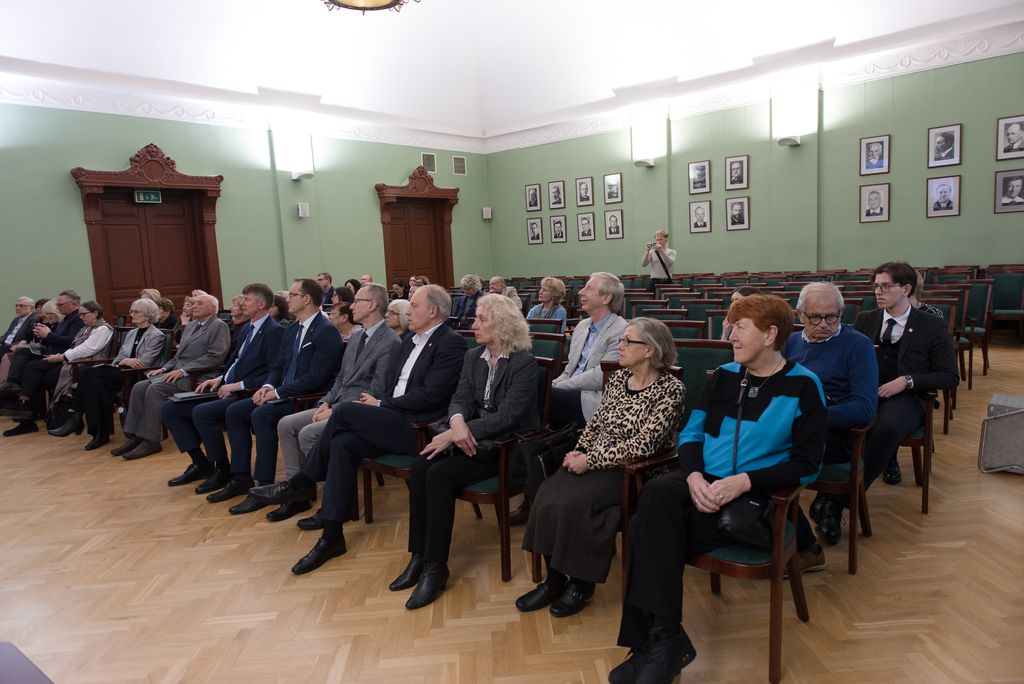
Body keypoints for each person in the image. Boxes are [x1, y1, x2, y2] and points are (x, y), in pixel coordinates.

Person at [610, 295, 826, 684]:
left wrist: (745, 481)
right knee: (656, 494)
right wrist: (694, 476)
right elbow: (691, 434)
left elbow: (808, 464)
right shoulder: (724, 376)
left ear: (770, 334)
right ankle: (664, 639)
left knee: (645, 526)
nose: (731, 336)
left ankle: (656, 644)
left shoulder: (804, 386)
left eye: (740, 328)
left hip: (753, 500)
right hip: (702, 484)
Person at [247, 285, 464, 573]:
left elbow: (431, 396)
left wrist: (382, 404)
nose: (406, 311)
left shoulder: (451, 343)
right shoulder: (410, 340)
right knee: (343, 443)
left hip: (418, 428)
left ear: (433, 311)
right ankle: (331, 536)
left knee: (346, 411)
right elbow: (386, 383)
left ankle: (301, 483)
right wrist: (380, 404)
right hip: (391, 419)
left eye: (413, 305)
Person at [518, 318, 685, 617]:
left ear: (649, 350)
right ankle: (554, 581)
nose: (620, 345)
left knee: (576, 503)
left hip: (634, 471)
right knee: (546, 494)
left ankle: (581, 584)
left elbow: (643, 446)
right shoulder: (619, 379)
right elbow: (595, 424)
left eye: (627, 341)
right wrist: (579, 450)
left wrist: (590, 460)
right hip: (595, 459)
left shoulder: (670, 390)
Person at [394, 293, 539, 609]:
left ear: (502, 325)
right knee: (420, 467)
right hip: (470, 441)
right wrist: (457, 422)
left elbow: (508, 417)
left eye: (482, 319)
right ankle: (418, 555)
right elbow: (459, 399)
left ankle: (436, 567)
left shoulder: (524, 363)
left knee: (440, 475)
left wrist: (455, 433)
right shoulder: (473, 357)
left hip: (504, 451)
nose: (473, 324)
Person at [202, 278, 341, 514]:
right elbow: (278, 366)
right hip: (284, 393)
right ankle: (241, 477)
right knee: (235, 412)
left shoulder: (326, 331)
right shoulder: (293, 329)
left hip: (306, 398)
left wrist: (277, 392)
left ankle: (265, 485)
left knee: (262, 415)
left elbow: (316, 378)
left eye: (293, 295)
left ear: (307, 299)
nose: (288, 299)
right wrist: (267, 386)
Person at [272, 283, 401, 522]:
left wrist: (336, 411)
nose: (351, 307)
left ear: (372, 305)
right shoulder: (357, 336)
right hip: (337, 404)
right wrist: (326, 402)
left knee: (308, 433)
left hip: (359, 412)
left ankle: (330, 502)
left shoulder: (390, 342)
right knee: (286, 424)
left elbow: (377, 391)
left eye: (357, 301)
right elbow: (341, 378)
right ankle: (296, 494)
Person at [835, 261, 958, 499]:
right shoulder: (866, 319)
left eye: (886, 286)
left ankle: (842, 498)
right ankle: (835, 482)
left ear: (906, 289)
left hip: (908, 396)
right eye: (876, 286)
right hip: (868, 390)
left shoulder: (931, 324)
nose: (878, 292)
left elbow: (950, 377)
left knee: (886, 427)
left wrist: (906, 381)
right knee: (836, 418)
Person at [784, 283, 878, 561]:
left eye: (832, 316)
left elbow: (864, 409)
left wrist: (810, 416)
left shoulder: (857, 345)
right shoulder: (790, 343)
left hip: (836, 435)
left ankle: (802, 546)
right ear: (800, 315)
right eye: (815, 317)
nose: (824, 324)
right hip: (793, 430)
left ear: (841, 312)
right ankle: (781, 533)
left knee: (761, 460)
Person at [160, 283, 283, 489]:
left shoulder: (274, 331)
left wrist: (238, 385)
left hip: (247, 392)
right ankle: (201, 464)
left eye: (247, 299)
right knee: (170, 408)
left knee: (202, 412)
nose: (242, 303)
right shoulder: (247, 328)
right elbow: (235, 361)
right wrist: (221, 378)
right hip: (227, 386)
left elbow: (273, 371)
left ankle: (224, 470)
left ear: (261, 304)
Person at [110, 294, 230, 460]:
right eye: (194, 303)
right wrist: (163, 368)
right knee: (139, 387)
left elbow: (215, 356)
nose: (194, 306)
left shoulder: (219, 326)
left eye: (199, 304)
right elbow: (179, 356)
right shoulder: (192, 325)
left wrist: (183, 371)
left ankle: (151, 440)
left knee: (156, 388)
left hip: (198, 377)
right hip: (178, 373)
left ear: (212, 308)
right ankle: (135, 435)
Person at [49, 298, 166, 450]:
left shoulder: (157, 335)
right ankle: (98, 433)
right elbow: (119, 358)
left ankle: (77, 418)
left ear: (148, 314)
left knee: (88, 374)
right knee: (95, 386)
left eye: (136, 312)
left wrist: (126, 361)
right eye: (131, 311)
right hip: (121, 370)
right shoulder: (132, 333)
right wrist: (125, 361)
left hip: (136, 375)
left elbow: (145, 362)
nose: (132, 314)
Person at [2, 300, 114, 436]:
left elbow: (87, 349)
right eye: (80, 314)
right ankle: (25, 410)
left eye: (84, 314)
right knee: (32, 369)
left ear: (95, 313)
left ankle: (26, 410)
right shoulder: (87, 328)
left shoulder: (102, 329)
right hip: (72, 361)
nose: (81, 317)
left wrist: (61, 356)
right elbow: (75, 346)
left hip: (84, 366)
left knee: (35, 377)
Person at [549, 272, 628, 429]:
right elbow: (570, 369)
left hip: (593, 400)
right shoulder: (582, 326)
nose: (581, 292)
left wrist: (558, 387)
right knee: (531, 391)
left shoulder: (622, 330)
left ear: (606, 298)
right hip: (567, 392)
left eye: (589, 288)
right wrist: (553, 384)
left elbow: (601, 376)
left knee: (536, 396)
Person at [1, 290, 83, 397]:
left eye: (61, 304)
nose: (58, 307)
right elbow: (48, 340)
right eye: (57, 305)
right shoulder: (65, 319)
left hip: (60, 355)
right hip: (50, 351)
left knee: (30, 365)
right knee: (23, 352)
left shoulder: (76, 318)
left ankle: (23, 399)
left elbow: (71, 341)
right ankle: (12, 383)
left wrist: (48, 334)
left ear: (74, 304)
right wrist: (42, 335)